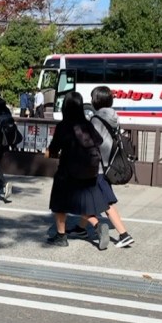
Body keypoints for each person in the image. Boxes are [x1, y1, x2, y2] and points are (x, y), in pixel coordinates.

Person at [68, 86, 135, 248]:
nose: (91, 101)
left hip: (96, 168)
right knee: (90, 200)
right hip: (108, 165)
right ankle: (80, 228)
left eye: (92, 98)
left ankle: (123, 234)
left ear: (96, 100)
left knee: (103, 203)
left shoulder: (97, 120)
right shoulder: (113, 117)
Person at [46, 91, 109, 248]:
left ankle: (61, 236)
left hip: (68, 170)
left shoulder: (63, 126)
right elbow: (99, 141)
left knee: (59, 203)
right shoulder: (87, 125)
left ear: (65, 107)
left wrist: (49, 153)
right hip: (89, 171)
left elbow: (53, 150)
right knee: (85, 204)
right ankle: (98, 226)